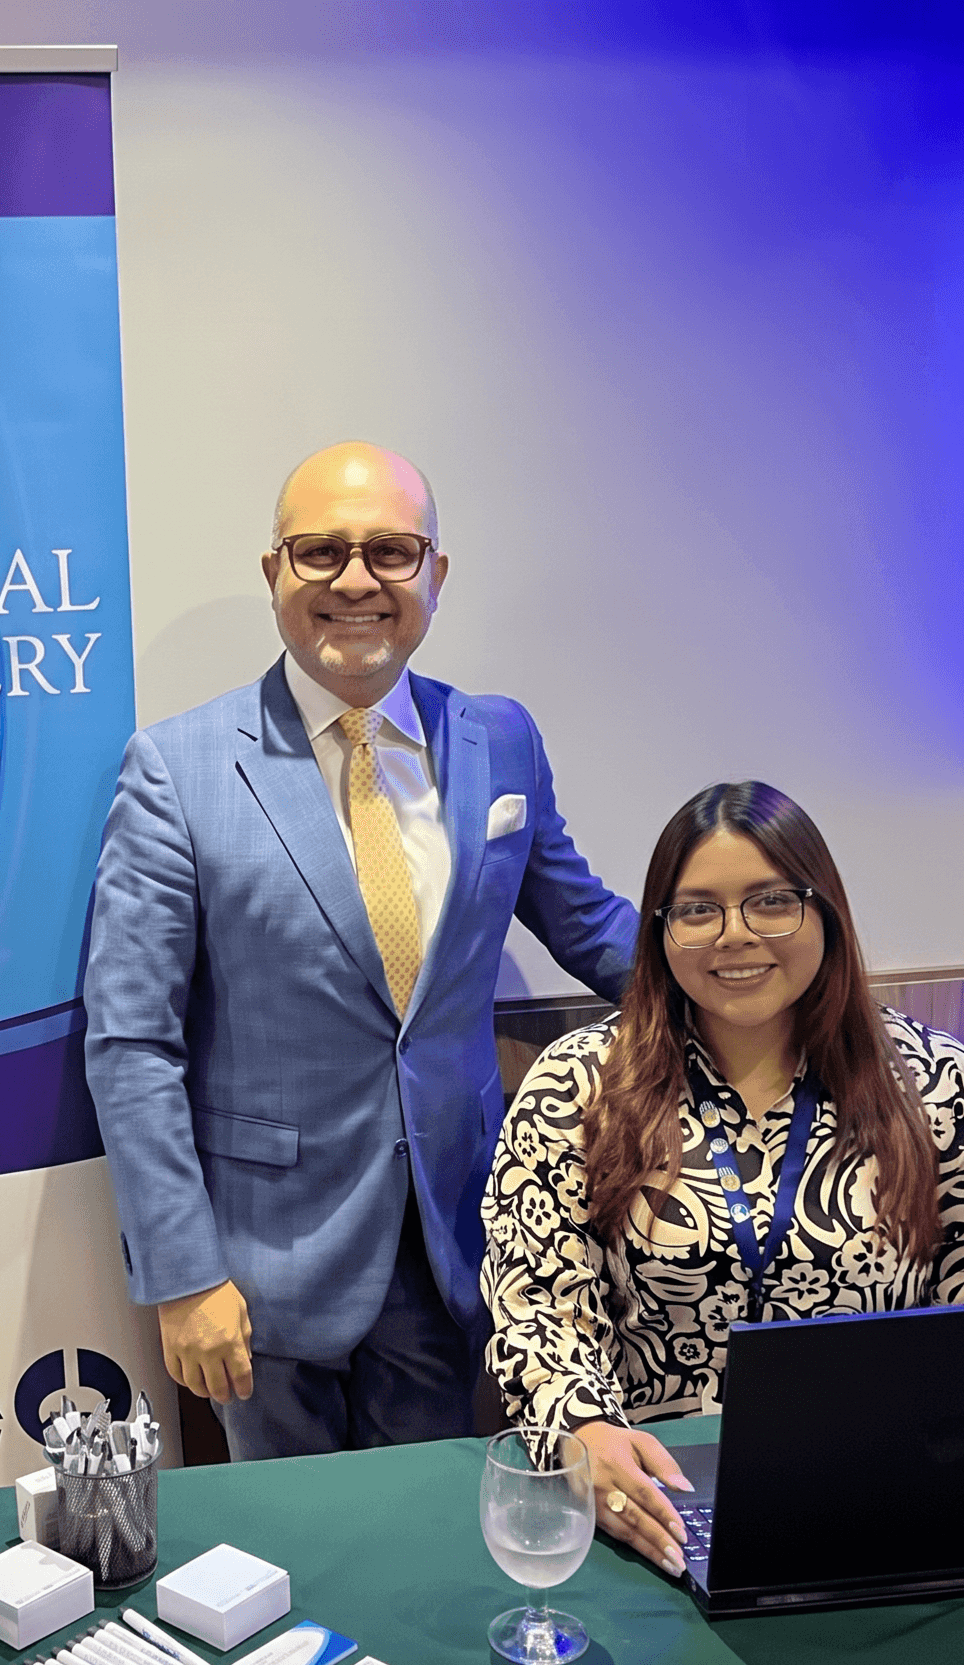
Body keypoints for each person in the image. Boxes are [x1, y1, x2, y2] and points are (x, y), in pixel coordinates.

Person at [84, 441, 638, 1459]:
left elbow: (587, 925)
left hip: (450, 1245)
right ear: (272, 575)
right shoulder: (176, 768)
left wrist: (781, 989)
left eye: (389, 550)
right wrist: (181, 1273)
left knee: (425, 1549)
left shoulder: (498, 740)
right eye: (319, 551)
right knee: (290, 1565)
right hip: (257, 1270)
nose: (354, 580)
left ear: (434, 574)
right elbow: (130, 1042)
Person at [481, 779, 964, 1575]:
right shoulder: (578, 1086)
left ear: (825, 913)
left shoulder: (937, 1082)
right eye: (697, 909)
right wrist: (586, 1434)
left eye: (770, 901)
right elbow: (539, 1307)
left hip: (886, 1487)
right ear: (660, 930)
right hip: (654, 1498)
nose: (735, 936)